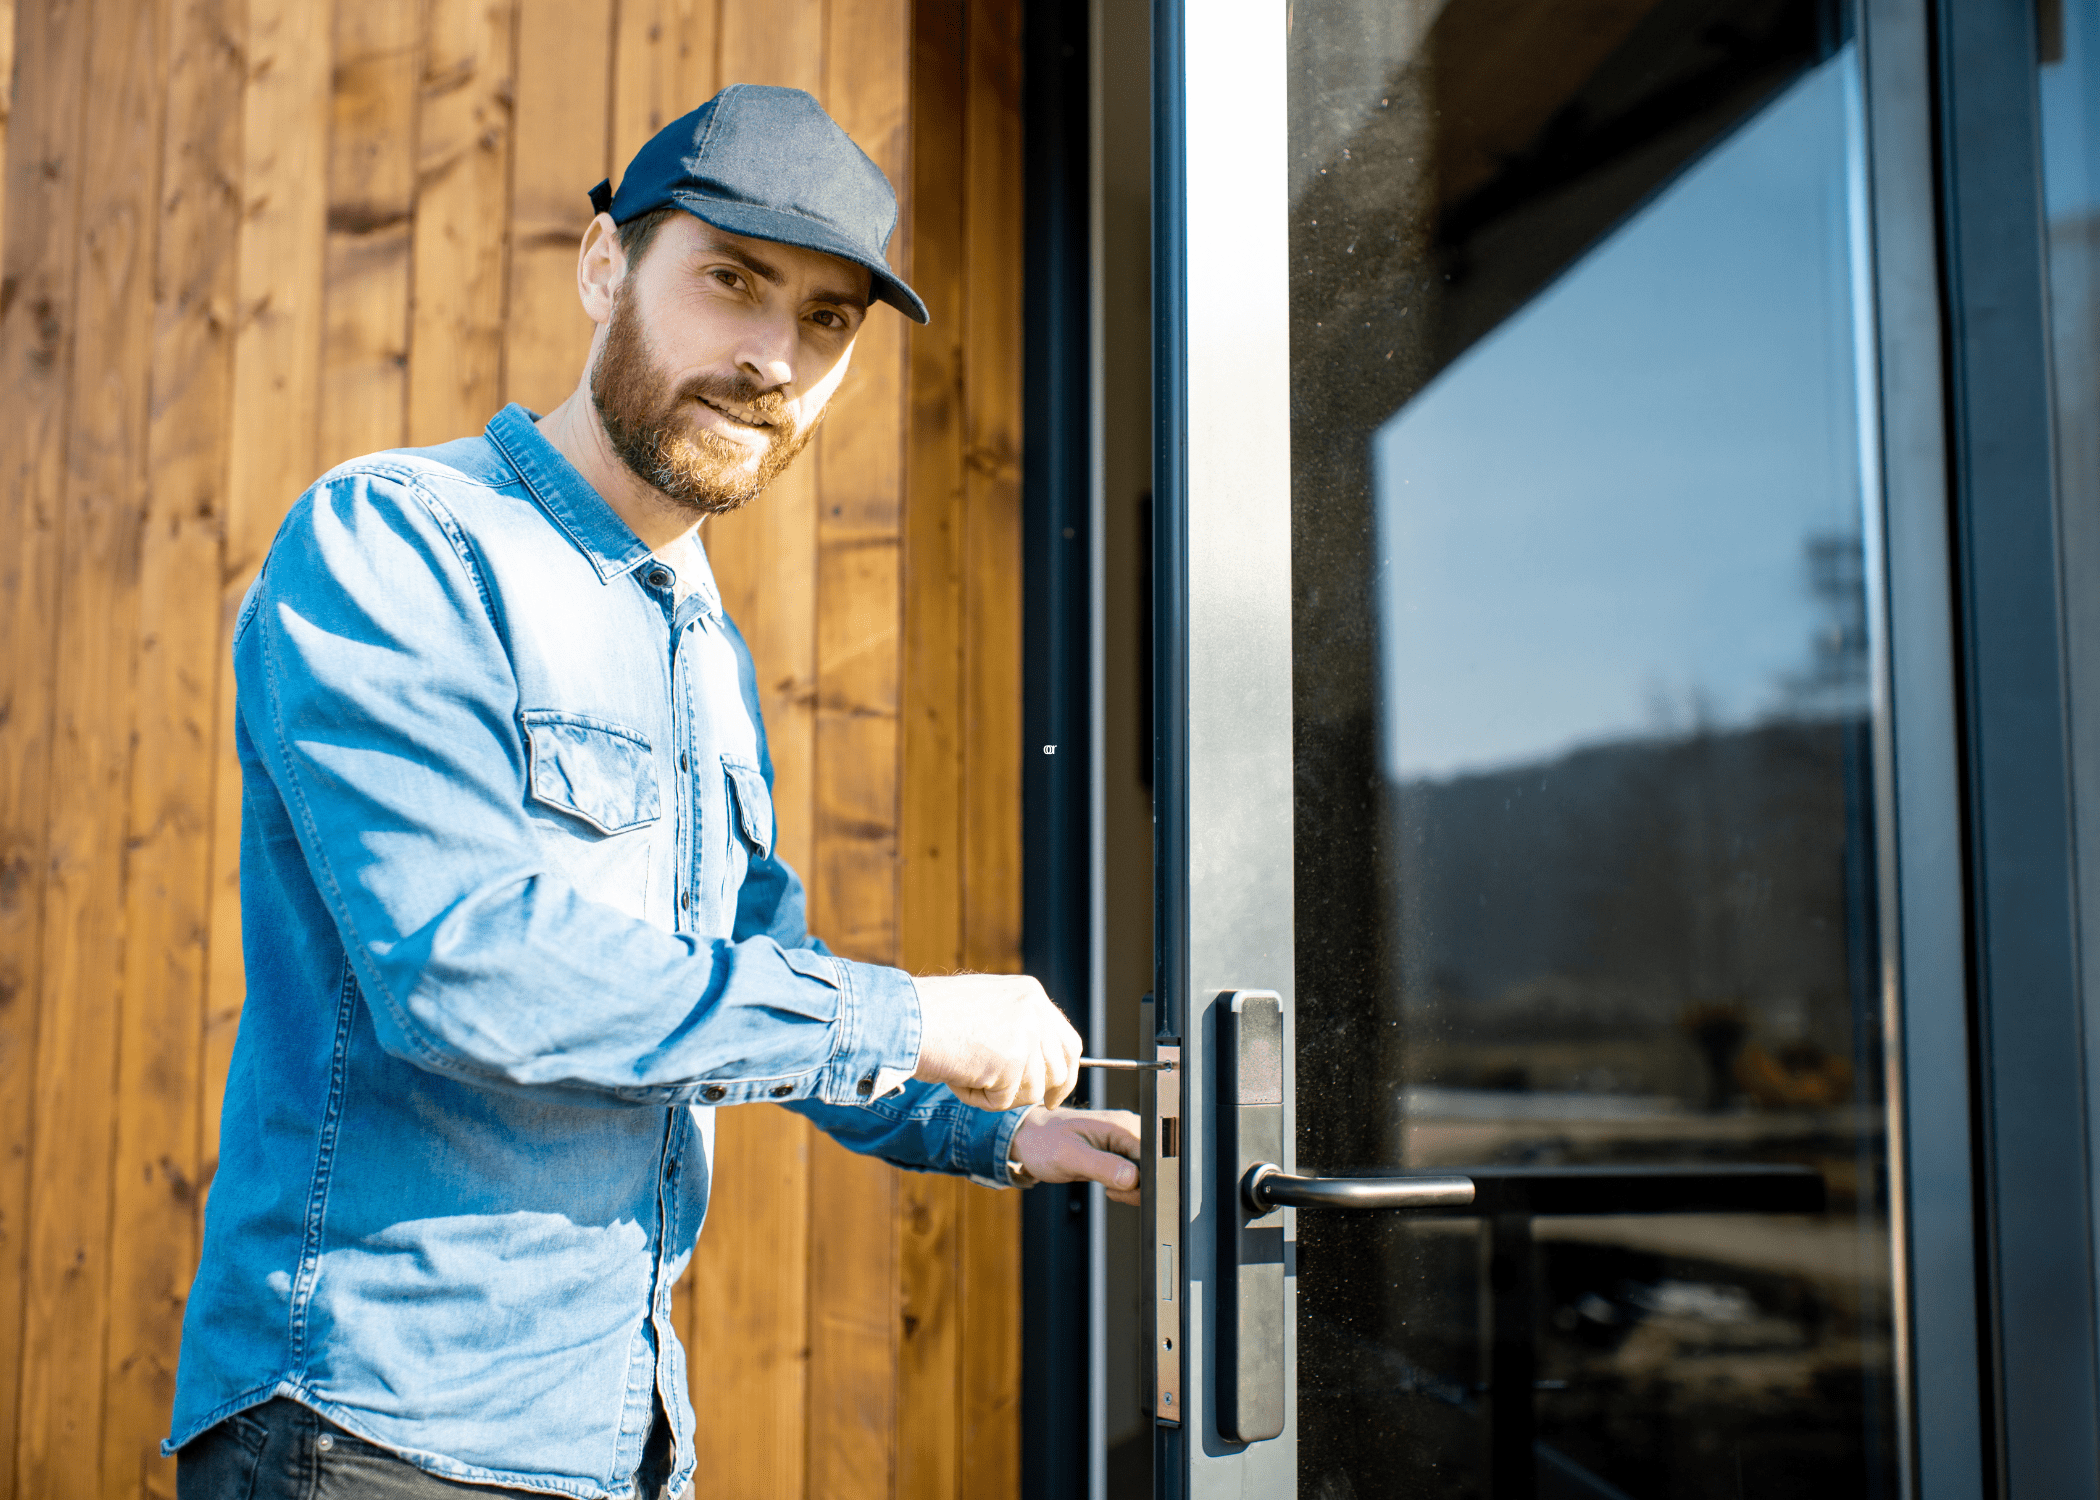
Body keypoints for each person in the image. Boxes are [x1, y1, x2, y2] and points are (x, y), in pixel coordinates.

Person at [166, 84, 1140, 1500]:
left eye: (825, 321)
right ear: (604, 265)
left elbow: (751, 979)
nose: (770, 359)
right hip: (370, 1437)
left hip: (620, 1439)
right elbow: (468, 969)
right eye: (732, 281)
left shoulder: (697, 634)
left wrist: (990, 1128)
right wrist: (912, 1017)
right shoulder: (400, 542)